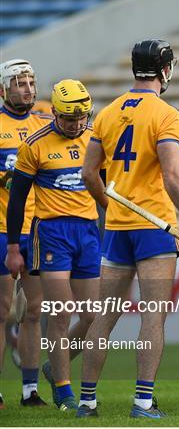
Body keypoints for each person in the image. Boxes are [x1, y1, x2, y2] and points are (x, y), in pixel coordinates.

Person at [78, 39, 179, 419]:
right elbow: (171, 174)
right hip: (154, 227)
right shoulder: (166, 114)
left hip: (117, 227)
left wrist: (109, 206)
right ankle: (143, 402)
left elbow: (88, 173)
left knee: (105, 315)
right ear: (165, 70)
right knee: (154, 314)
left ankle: (87, 402)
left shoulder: (107, 112)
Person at [6, 79, 100, 411]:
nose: (76, 125)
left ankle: (52, 367)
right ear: (56, 113)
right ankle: (64, 391)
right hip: (52, 235)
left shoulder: (95, 138)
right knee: (59, 315)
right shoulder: (35, 145)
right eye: (69, 119)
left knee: (92, 317)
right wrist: (14, 247)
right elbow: (17, 200)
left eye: (81, 118)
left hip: (88, 233)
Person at [0, 59, 51, 408]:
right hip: (3, 229)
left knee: (34, 310)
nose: (27, 89)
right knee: (2, 310)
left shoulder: (45, 122)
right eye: (19, 83)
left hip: (37, 230)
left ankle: (30, 390)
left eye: (31, 82)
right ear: (4, 89)